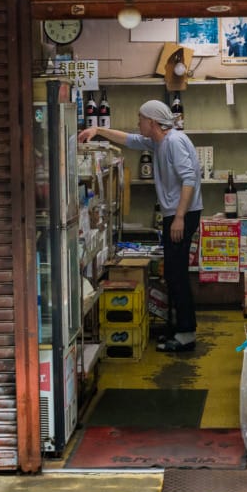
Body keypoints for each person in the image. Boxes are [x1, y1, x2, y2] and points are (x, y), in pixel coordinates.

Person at [78, 99, 203, 353]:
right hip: (177, 212)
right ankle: (179, 328)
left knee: (177, 273)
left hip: (183, 213)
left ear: (153, 122)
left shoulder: (174, 142)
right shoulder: (158, 141)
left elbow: (189, 179)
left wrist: (178, 217)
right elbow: (128, 139)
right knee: (173, 273)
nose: (138, 123)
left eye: (141, 119)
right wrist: (98, 131)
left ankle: (186, 333)